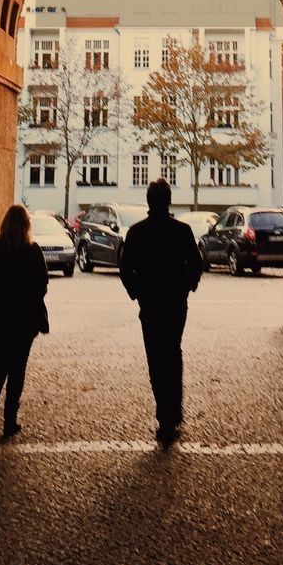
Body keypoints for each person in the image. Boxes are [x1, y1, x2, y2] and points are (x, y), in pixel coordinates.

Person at [119, 178, 204, 445]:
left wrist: (138, 293)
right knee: (173, 352)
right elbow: (196, 264)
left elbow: (125, 269)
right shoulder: (182, 230)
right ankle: (173, 413)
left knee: (155, 357)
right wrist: (187, 287)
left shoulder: (136, 232)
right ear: (168, 201)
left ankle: (164, 415)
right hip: (175, 303)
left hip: (150, 304)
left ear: (148, 201)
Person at [0, 203, 49, 438]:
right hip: (24, 322)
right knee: (17, 371)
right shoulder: (32, 251)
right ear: (27, 225)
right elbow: (42, 285)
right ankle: (9, 421)